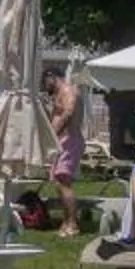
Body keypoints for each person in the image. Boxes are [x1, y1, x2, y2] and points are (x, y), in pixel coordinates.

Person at [45, 68, 85, 235]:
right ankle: (66, 220)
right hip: (61, 141)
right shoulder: (59, 94)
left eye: (45, 82)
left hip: (69, 140)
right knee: (58, 183)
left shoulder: (69, 90)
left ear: (52, 77)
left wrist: (56, 131)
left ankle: (73, 224)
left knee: (63, 180)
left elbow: (68, 113)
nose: (45, 86)